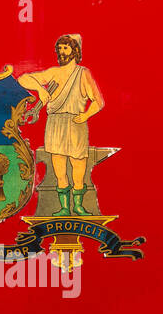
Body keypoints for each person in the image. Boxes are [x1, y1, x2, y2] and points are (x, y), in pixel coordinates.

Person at [18, 34, 104, 216]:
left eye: (66, 47)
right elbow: (23, 78)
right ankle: (65, 208)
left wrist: (86, 114)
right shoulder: (53, 72)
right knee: (59, 167)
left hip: (75, 122)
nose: (61, 51)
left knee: (78, 167)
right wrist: (41, 89)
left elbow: (98, 101)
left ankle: (78, 206)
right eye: (60, 47)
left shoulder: (83, 73)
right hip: (55, 122)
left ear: (75, 50)